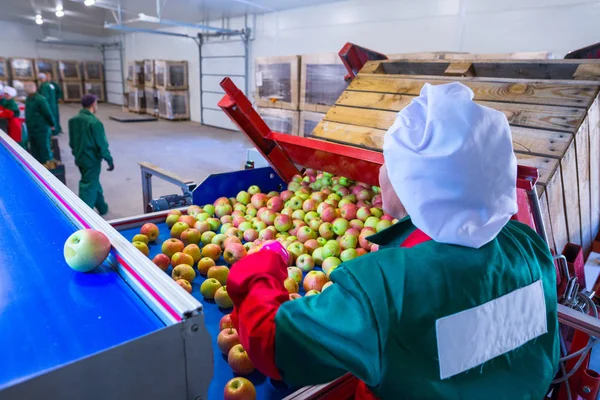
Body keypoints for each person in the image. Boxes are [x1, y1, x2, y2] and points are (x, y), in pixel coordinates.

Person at [226, 82, 559, 399]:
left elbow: (271, 343)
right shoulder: (526, 243)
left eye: (390, 161)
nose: (382, 171)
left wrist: (260, 267)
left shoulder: (384, 288)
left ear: (414, 183)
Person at [68, 94, 114, 215]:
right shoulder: (94, 122)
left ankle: (102, 207)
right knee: (88, 185)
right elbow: (101, 144)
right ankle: (84, 213)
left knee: (92, 180)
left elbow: (72, 142)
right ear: (93, 104)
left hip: (79, 158)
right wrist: (109, 159)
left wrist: (76, 153)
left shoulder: (73, 121)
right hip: (92, 160)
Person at [24, 81, 55, 164]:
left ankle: (48, 168)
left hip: (41, 130)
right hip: (32, 129)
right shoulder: (29, 99)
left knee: (44, 149)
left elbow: (47, 113)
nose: (25, 89)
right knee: (35, 150)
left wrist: (52, 124)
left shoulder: (40, 100)